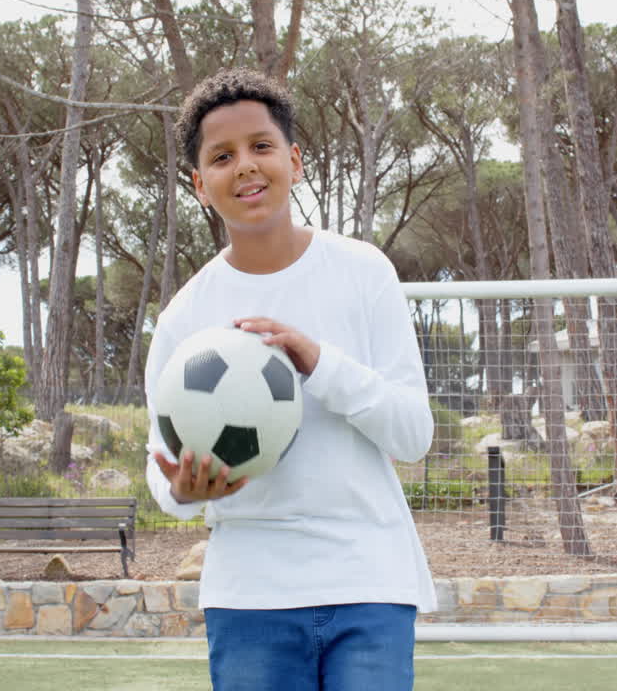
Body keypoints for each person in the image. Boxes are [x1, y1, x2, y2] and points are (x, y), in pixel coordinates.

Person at [144, 67, 436, 690]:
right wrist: (185, 492)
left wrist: (320, 363)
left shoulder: (364, 273)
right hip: (249, 593)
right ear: (200, 184)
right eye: (222, 157)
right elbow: (162, 468)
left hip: (369, 581)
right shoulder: (184, 319)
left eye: (261, 146)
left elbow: (413, 435)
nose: (245, 166)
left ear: (295, 160)